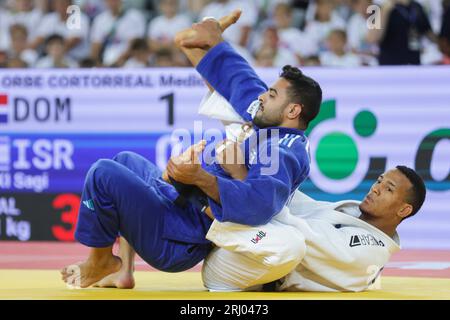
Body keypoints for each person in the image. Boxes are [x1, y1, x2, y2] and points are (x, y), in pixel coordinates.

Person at [61, 10, 323, 288]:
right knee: (125, 161)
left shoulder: (284, 150)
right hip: (179, 205)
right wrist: (215, 42)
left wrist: (197, 177)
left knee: (103, 174)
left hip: (178, 235)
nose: (262, 97)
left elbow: (257, 207)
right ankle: (124, 271)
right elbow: (242, 83)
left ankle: (101, 261)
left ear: (293, 110)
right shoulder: (268, 125)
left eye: (271, 95)